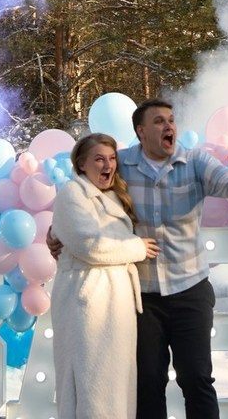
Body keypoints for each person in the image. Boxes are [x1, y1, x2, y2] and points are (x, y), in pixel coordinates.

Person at [119, 98, 228, 419]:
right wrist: (61, 229)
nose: (169, 127)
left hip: (189, 291)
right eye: (159, 121)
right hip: (141, 299)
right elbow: (87, 191)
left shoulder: (195, 163)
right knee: (147, 382)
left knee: (196, 378)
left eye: (171, 120)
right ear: (140, 131)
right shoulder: (121, 164)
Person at [50, 133, 160, 419]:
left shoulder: (113, 196)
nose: (107, 164)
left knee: (114, 387)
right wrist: (136, 247)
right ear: (82, 164)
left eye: (111, 158)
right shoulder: (73, 193)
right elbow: (90, 245)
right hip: (87, 302)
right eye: (99, 158)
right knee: (90, 385)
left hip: (117, 304)